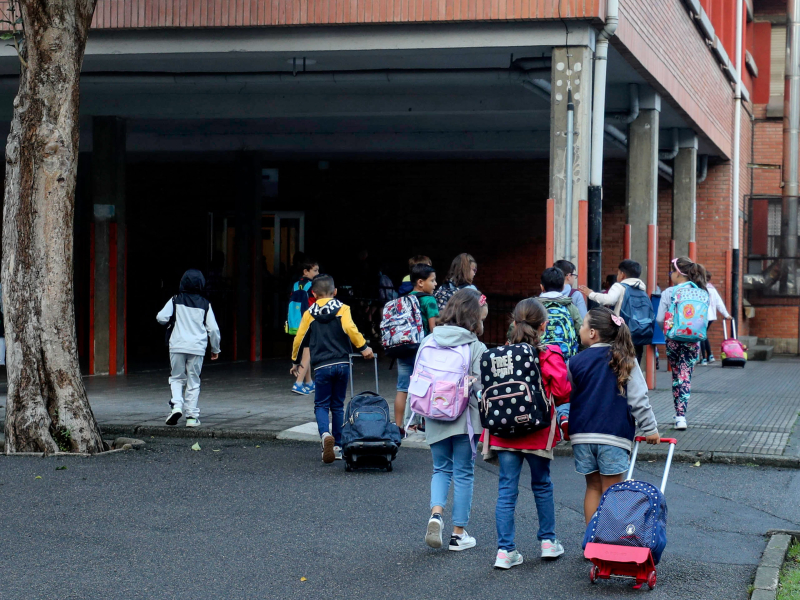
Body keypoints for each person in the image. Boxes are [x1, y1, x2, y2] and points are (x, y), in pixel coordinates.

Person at [482, 298, 571, 569]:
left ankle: (505, 550)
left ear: (514, 321)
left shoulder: (498, 354)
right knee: (542, 484)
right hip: (536, 430)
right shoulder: (547, 353)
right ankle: (547, 542)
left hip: (502, 430)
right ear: (543, 325)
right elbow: (563, 391)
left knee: (506, 488)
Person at [566, 307, 660, 525]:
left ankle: (591, 542)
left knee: (593, 487)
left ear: (592, 333)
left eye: (582, 325)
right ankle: (609, 542)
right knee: (613, 490)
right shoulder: (625, 359)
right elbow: (638, 398)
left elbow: (566, 393)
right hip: (613, 435)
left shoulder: (575, 361)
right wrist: (650, 429)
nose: (580, 329)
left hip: (582, 435)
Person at [424, 289, 487, 552]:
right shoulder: (475, 346)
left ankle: (436, 514)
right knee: (463, 473)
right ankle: (458, 535)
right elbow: (480, 387)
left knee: (441, 469)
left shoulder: (429, 340)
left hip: (434, 412)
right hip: (465, 417)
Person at [291, 275, 374, 464]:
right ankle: (337, 444)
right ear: (335, 291)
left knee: (321, 404)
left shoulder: (309, 313)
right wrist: (363, 347)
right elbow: (350, 328)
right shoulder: (342, 308)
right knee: (337, 405)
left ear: (313, 293)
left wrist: (295, 361)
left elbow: (299, 339)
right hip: (343, 363)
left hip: (322, 365)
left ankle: (325, 435)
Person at [157, 269, 221, 428]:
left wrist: (170, 323)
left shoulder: (175, 300)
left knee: (177, 377)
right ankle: (192, 417)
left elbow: (161, 317)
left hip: (177, 345)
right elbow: (213, 329)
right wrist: (215, 349)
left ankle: (177, 406)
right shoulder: (205, 304)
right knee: (194, 380)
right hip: (197, 347)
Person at [656, 256, 709, 430]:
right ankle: (681, 416)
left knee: (676, 374)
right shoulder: (702, 291)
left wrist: (667, 330)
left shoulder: (669, 292)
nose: (670, 274)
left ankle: (678, 414)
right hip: (694, 339)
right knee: (686, 375)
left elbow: (659, 319)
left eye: (672, 271)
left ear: (678, 274)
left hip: (673, 338)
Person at [395, 263, 440, 431]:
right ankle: (420, 423)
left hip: (403, 347)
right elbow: (433, 330)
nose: (435, 284)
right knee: (424, 386)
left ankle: (399, 426)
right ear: (420, 282)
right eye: (433, 280)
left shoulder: (404, 298)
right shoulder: (429, 300)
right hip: (422, 350)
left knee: (402, 388)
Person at [579, 259, 648, 363]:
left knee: (620, 359)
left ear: (622, 274)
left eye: (618, 273)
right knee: (635, 360)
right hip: (640, 330)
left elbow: (609, 299)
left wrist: (591, 294)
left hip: (623, 330)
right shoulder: (641, 288)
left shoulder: (619, 286)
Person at [288, 260, 319, 395]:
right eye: (315, 270)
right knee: (308, 351)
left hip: (296, 322)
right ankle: (298, 383)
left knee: (306, 349)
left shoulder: (295, 285)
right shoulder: (312, 286)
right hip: (309, 321)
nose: (317, 273)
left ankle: (309, 382)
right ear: (305, 271)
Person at [538, 267, 582, 359]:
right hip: (565, 364)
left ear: (541, 287)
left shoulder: (532, 306)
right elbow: (581, 332)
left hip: (538, 362)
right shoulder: (570, 306)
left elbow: (514, 331)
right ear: (563, 287)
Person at [700, 272, 732, 365]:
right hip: (711, 316)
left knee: (701, 335)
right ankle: (710, 355)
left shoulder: (699, 288)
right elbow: (719, 303)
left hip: (702, 316)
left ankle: (704, 358)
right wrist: (726, 314)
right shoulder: (712, 289)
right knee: (704, 335)